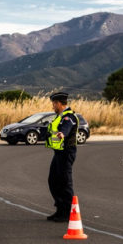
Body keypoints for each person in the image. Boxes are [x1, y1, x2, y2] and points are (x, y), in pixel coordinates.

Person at [45, 92, 79, 222]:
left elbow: (66, 127)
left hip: (67, 152)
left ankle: (68, 213)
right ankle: (60, 209)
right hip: (58, 153)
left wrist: (62, 134)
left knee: (65, 182)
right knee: (53, 181)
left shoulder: (68, 117)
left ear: (59, 103)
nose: (53, 106)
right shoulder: (59, 116)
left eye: (54, 104)